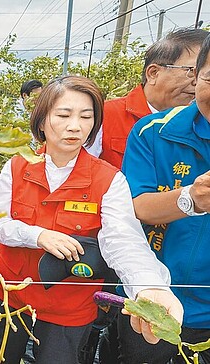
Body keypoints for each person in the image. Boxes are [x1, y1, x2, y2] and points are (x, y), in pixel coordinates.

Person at [0, 75, 183, 364]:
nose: (75, 126)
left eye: (86, 117)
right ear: (41, 121)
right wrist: (37, 235)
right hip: (12, 296)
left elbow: (123, 239)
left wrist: (149, 286)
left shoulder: (108, 179)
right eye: (63, 115)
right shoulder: (17, 166)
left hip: (70, 306)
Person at [120, 33, 210, 364]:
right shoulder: (152, 132)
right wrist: (192, 199)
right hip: (154, 299)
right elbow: (138, 207)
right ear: (196, 76)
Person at [87, 28, 209, 169]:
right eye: (190, 70)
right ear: (153, 73)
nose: (197, 81)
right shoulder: (104, 115)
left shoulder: (201, 121)